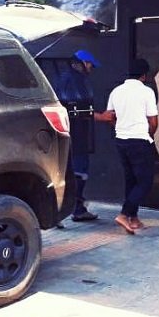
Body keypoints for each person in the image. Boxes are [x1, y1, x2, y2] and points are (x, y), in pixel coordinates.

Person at [50, 50, 110, 227]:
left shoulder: (63, 78)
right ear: (82, 63)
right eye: (90, 65)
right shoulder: (74, 81)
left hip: (66, 134)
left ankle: (68, 210)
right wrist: (101, 117)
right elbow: (77, 108)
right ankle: (69, 210)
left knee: (68, 171)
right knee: (79, 171)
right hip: (76, 133)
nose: (91, 68)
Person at [106, 58, 158, 234]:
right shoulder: (147, 92)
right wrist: (149, 134)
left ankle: (133, 219)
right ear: (143, 75)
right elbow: (153, 121)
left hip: (121, 140)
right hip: (140, 140)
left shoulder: (116, 91)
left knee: (131, 180)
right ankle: (124, 214)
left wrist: (120, 128)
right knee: (145, 182)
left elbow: (110, 117)